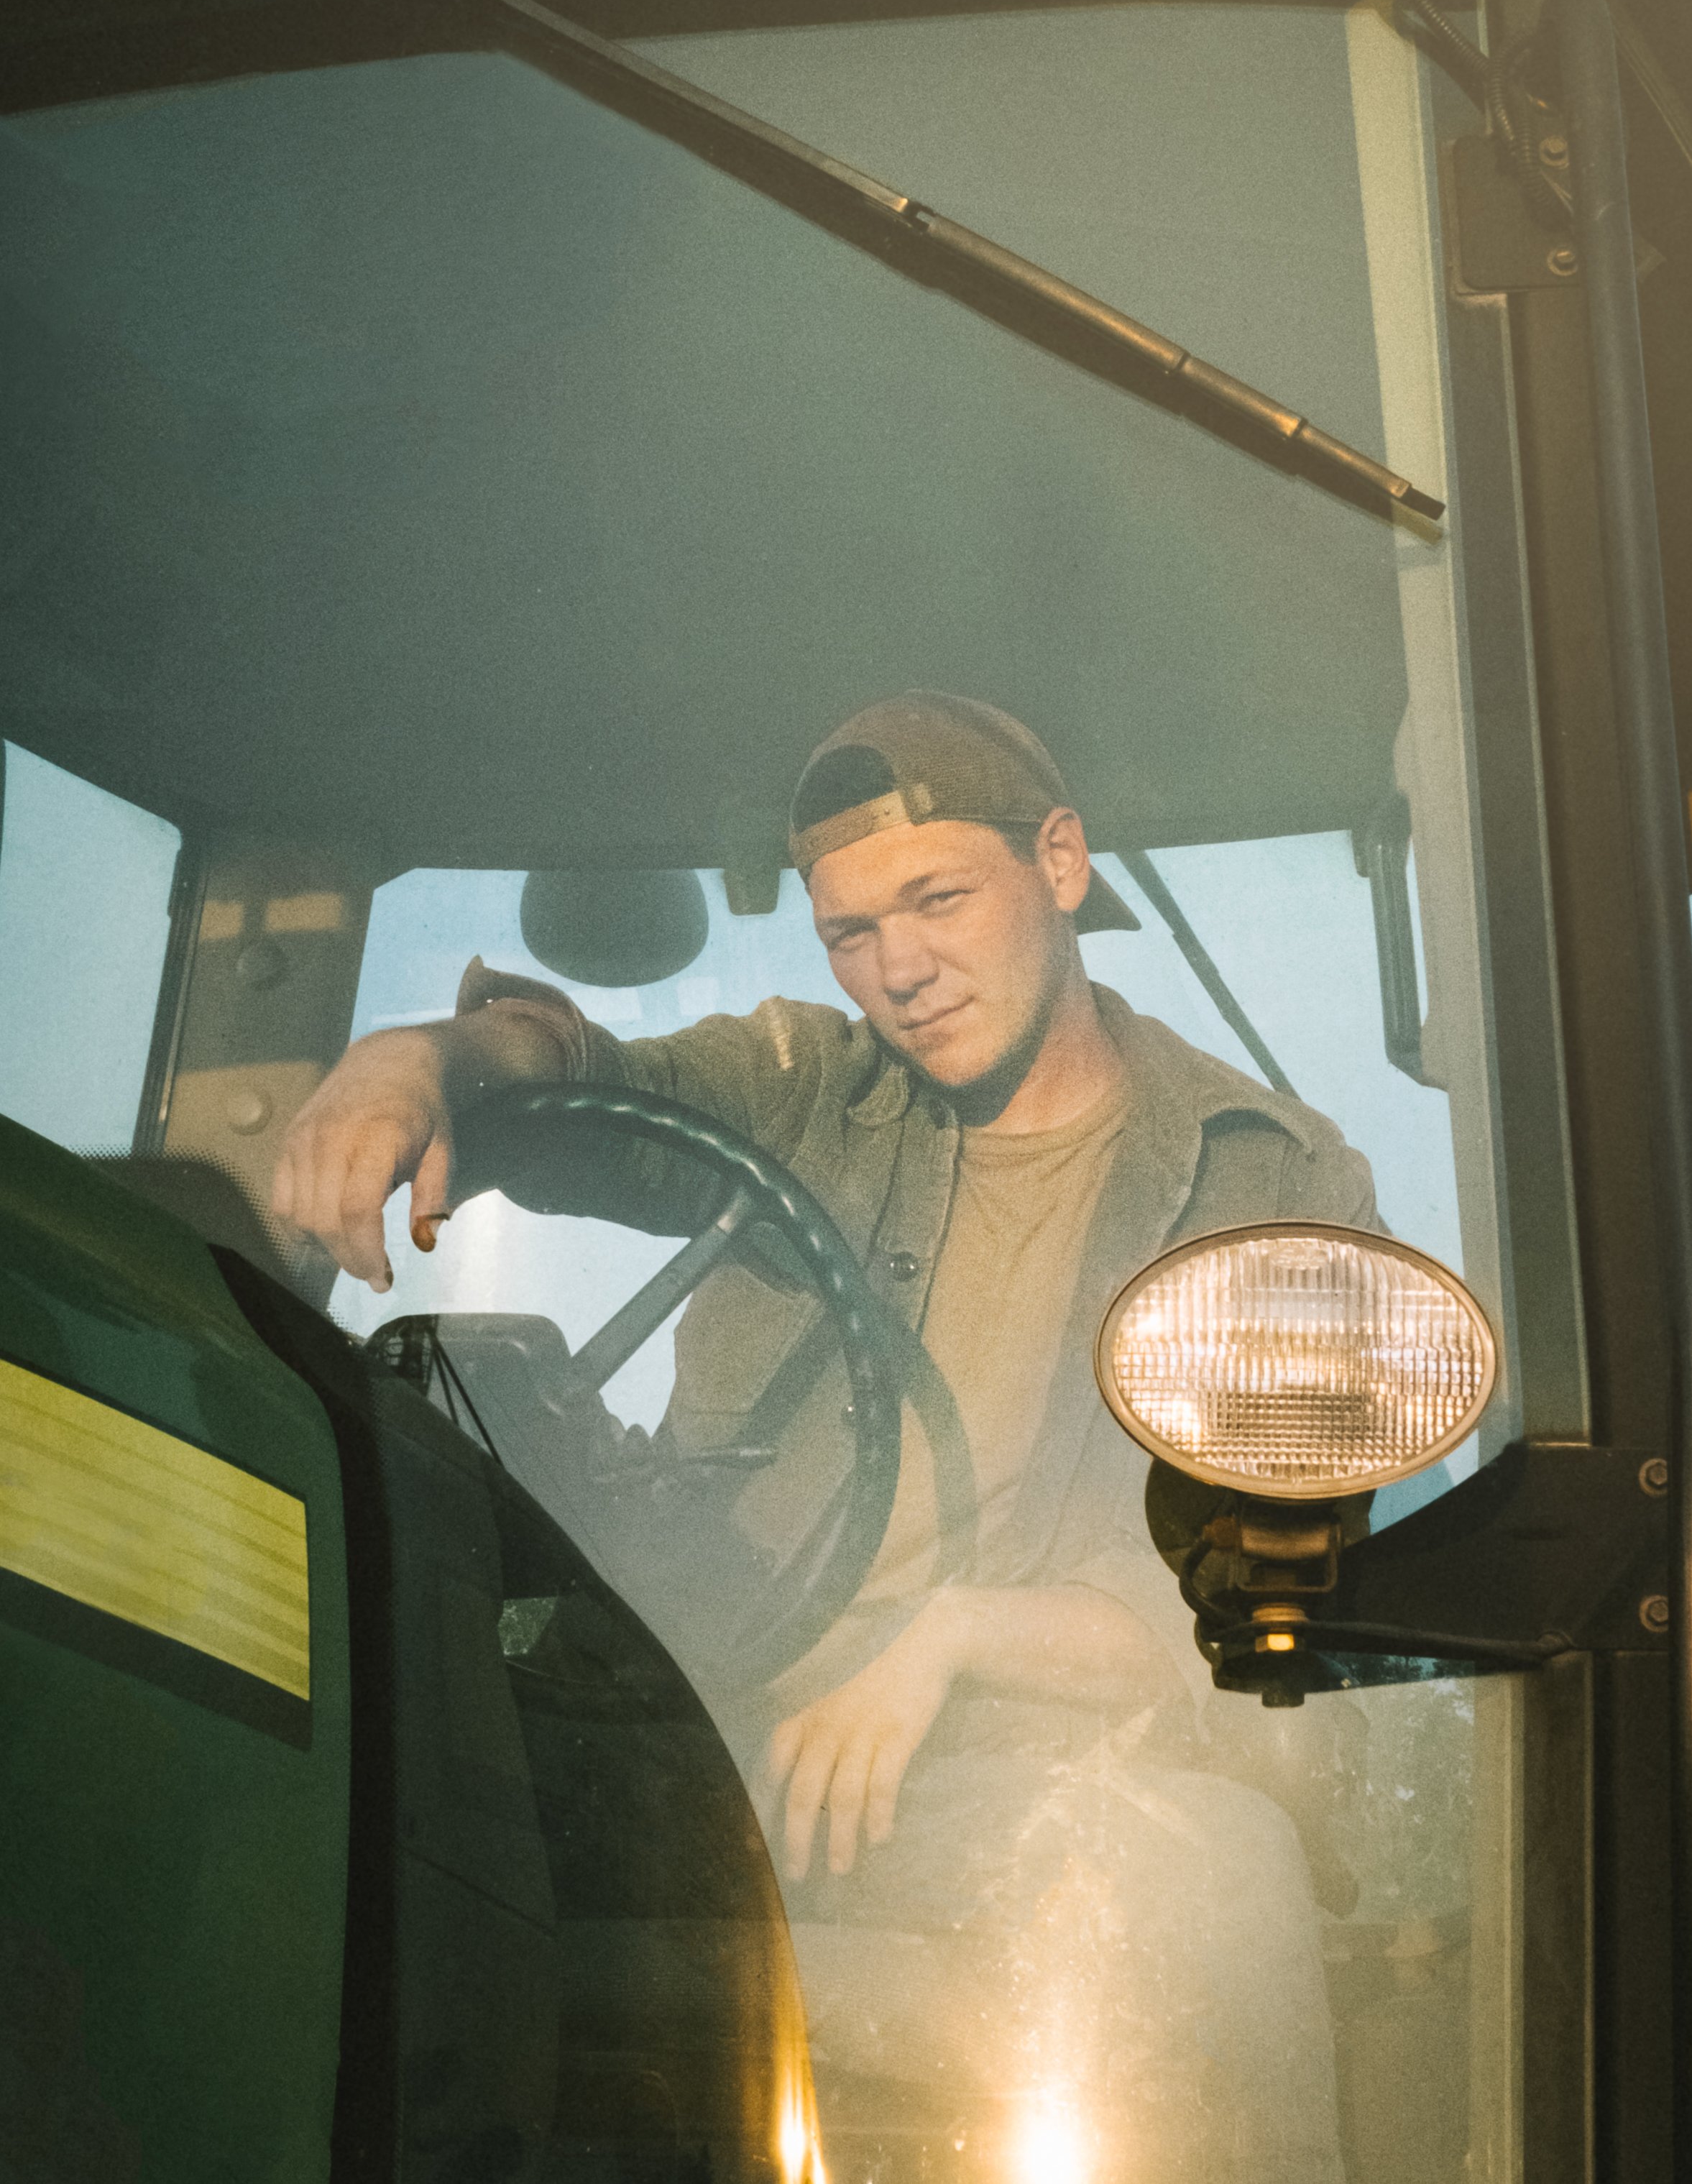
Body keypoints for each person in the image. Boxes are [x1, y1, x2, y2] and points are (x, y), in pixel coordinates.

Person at [275, 692, 1377, 2181]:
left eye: (936, 900)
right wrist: (423, 1058)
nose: (898, 970)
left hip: (1028, 1791)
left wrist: (953, 1635)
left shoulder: (1267, 1176)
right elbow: (596, 1082)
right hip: (695, 1745)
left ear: (1059, 860)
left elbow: (1257, 1606)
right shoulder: (806, 1085)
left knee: (1215, 1878)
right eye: (850, 932)